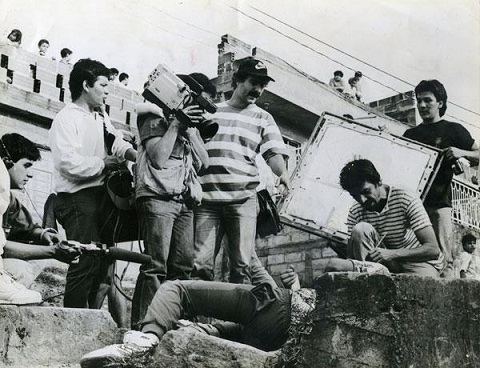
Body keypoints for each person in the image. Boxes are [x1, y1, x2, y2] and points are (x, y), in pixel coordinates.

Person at [80, 266, 316, 368]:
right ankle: (192, 332)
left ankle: (145, 340)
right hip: (283, 338)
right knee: (221, 332)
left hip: (279, 304)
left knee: (176, 289)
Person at [48, 59, 136, 320]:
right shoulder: (66, 118)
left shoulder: (101, 115)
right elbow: (67, 163)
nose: (108, 91)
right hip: (76, 198)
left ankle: (93, 321)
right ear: (86, 85)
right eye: (103, 85)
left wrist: (133, 155)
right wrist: (103, 163)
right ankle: (73, 324)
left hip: (102, 198)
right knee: (85, 261)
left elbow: (116, 143)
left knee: (104, 263)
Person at [191, 57, 290, 284]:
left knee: (242, 266)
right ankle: (192, 320)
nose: (258, 89)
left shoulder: (263, 117)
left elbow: (273, 152)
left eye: (263, 85)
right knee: (200, 265)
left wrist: (282, 174)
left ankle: (238, 319)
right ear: (238, 80)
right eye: (254, 82)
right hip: (207, 200)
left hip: (243, 200)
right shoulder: (212, 112)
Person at [130, 73, 211, 327]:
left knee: (182, 267)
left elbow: (205, 163)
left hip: (183, 200)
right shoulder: (152, 115)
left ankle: (172, 323)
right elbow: (158, 158)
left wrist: (191, 129)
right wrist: (175, 125)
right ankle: (144, 327)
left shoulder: (188, 125)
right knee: (155, 266)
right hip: (157, 197)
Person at [403, 79, 479, 278]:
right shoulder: (410, 134)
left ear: (441, 103)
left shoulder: (454, 130)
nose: (422, 105)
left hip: (439, 205)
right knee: (411, 256)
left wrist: (460, 151)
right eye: (419, 101)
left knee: (445, 258)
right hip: (411, 206)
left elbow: (478, 154)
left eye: (427, 100)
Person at [0, 133, 80, 288]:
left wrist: (43, 234)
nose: (30, 174)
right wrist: (53, 252)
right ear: (6, 162)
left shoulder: (9, 199)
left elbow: (28, 228)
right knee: (20, 270)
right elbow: (1, 247)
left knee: (35, 262)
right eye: (26, 165)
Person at [339, 159, 444, 277]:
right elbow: (351, 256)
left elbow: (433, 249)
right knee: (360, 229)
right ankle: (368, 281)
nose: (362, 200)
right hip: (387, 263)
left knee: (422, 289)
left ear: (378, 182)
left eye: (366, 191)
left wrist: (393, 254)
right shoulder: (356, 210)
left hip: (418, 262)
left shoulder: (404, 197)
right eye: (355, 196)